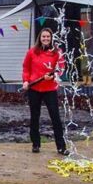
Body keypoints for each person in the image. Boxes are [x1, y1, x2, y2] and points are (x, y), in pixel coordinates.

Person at [22, 27, 68, 155]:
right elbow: (26, 68)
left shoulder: (57, 52)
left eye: (48, 36)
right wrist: (26, 81)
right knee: (34, 117)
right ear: (40, 38)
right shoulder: (31, 52)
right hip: (34, 89)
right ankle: (36, 144)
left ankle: (61, 147)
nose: (46, 39)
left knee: (55, 118)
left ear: (51, 38)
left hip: (50, 89)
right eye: (43, 36)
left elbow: (61, 68)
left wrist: (53, 76)